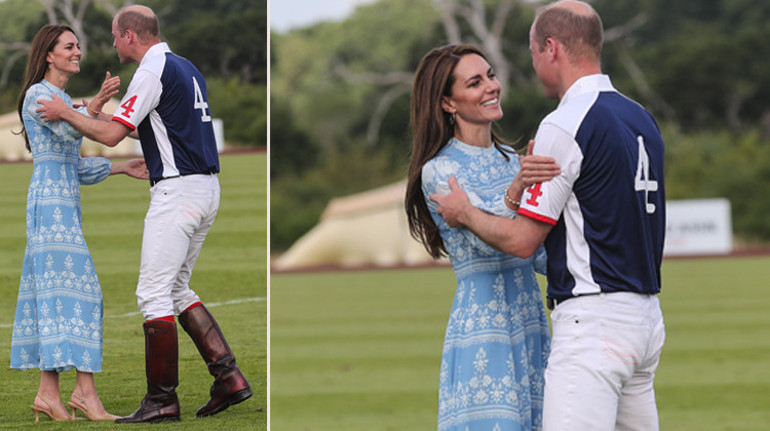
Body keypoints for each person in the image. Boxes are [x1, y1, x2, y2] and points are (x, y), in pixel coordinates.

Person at [430, 1, 667, 430]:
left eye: (533, 52)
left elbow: (524, 242)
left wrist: (467, 211)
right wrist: (516, 191)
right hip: (644, 318)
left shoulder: (564, 124)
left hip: (593, 324)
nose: (495, 84)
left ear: (551, 49)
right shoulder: (641, 118)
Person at [37, 5, 252, 423]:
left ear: (130, 36)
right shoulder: (185, 67)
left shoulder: (151, 71)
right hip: (206, 188)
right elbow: (150, 125)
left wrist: (66, 113)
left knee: (152, 294)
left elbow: (113, 137)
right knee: (177, 289)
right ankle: (229, 379)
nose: (113, 42)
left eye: (114, 35)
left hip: (178, 191)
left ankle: (161, 400)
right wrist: (97, 113)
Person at [405, 44, 560, 430]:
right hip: (483, 324)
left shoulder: (514, 161)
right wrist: (518, 189)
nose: (491, 86)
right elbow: (485, 241)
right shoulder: (439, 171)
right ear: (448, 103)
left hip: (530, 319)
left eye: (490, 75)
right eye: (474, 82)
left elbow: (538, 254)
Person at [10, 24, 149, 422]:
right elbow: (68, 133)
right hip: (49, 208)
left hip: (63, 205)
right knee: (84, 294)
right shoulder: (39, 95)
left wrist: (121, 167)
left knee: (57, 299)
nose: (77, 52)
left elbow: (74, 164)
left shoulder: (62, 100)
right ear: (48, 54)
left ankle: (49, 395)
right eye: (69, 46)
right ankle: (84, 396)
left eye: (77, 46)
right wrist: (94, 107)